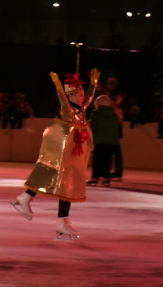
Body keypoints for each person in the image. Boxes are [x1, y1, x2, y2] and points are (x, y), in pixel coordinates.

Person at [12, 69, 99, 240]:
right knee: (61, 181)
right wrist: (58, 85)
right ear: (71, 95)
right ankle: (59, 219)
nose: (82, 97)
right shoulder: (68, 110)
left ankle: (32, 200)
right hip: (65, 152)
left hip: (73, 154)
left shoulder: (81, 110)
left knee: (67, 185)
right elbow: (63, 100)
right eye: (79, 94)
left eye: (82, 94)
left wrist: (93, 84)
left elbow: (89, 98)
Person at [86, 94, 121, 186]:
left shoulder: (96, 113)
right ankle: (106, 178)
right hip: (112, 142)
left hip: (100, 141)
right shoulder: (114, 114)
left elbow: (93, 127)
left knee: (97, 159)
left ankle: (95, 177)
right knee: (107, 160)